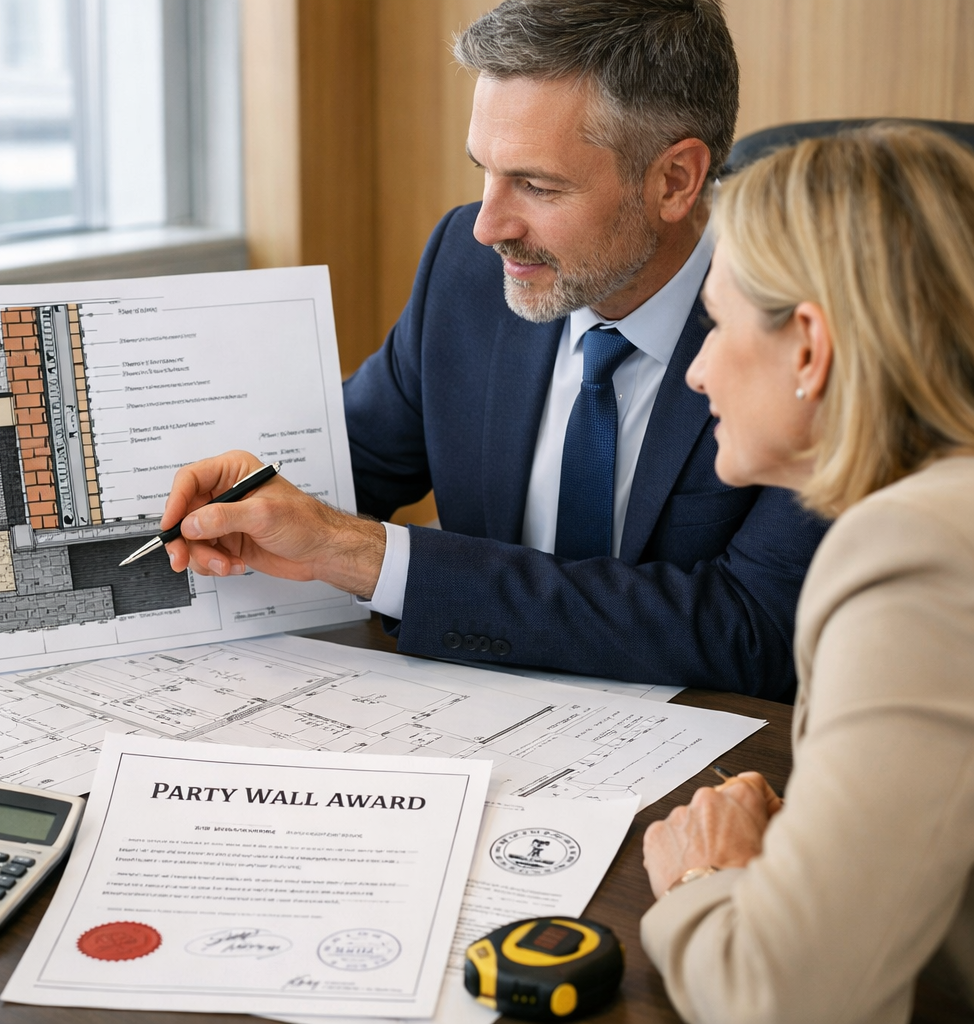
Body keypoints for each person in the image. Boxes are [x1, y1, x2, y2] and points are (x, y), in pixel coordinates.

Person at [160, 0, 827, 700]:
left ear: (675, 180)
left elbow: (755, 631)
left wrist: (365, 554)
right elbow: (347, 467)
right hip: (470, 723)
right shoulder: (466, 268)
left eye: (537, 186)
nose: (487, 226)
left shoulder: (807, 336)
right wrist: (222, 502)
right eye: (485, 170)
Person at [639, 124, 974, 1024]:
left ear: (811, 347)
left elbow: (783, 998)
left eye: (716, 324)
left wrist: (704, 877)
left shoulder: (921, 550)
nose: (699, 372)